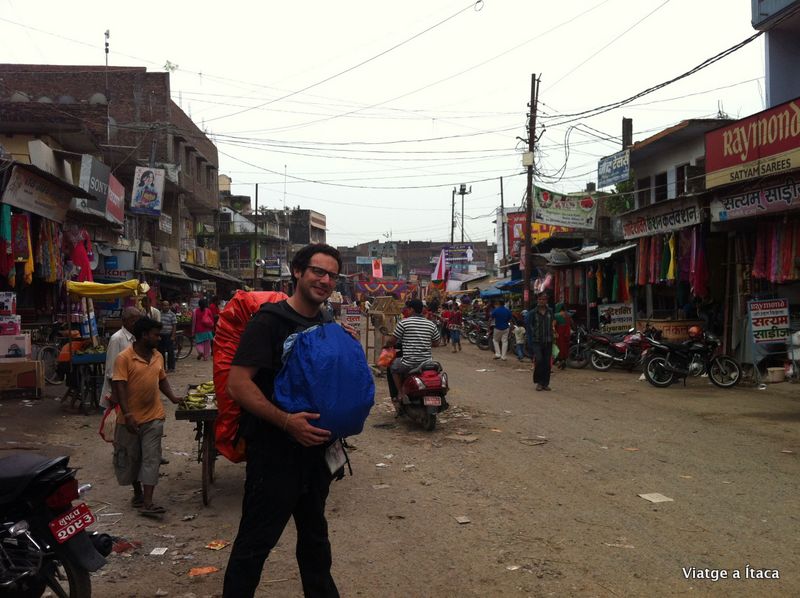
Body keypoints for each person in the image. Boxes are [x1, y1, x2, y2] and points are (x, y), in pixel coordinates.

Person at [223, 243, 344, 598]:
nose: (325, 281)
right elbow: (238, 384)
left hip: (316, 454)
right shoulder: (269, 322)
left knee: (315, 541)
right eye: (318, 272)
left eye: (332, 275)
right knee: (254, 545)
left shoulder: (326, 321)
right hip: (274, 453)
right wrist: (287, 422)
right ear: (297, 272)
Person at [112, 317, 181, 515]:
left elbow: (162, 380)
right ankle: (138, 494)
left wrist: (173, 398)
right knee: (132, 459)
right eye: (156, 335)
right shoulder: (124, 358)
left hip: (154, 416)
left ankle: (148, 503)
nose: (159, 338)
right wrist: (128, 414)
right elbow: (119, 387)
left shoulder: (158, 356)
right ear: (144, 335)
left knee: (151, 458)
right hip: (129, 419)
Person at [388, 299, 441, 403]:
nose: (407, 311)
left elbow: (392, 341)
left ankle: (400, 393)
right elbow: (436, 343)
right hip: (427, 363)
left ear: (411, 309)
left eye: (408, 309)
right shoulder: (431, 324)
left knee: (393, 366)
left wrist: (386, 345)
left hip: (409, 363)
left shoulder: (404, 323)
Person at [100, 307, 141, 409]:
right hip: (119, 389)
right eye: (133, 321)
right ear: (124, 321)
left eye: (138, 321)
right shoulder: (117, 339)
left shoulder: (136, 337)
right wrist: (114, 393)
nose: (136, 324)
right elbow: (111, 369)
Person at [525, 293, 557, 391]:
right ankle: (538, 382)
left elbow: (553, 322)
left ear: (546, 301)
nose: (541, 301)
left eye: (543, 299)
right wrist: (530, 340)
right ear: (537, 300)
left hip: (548, 340)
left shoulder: (550, 311)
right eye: (540, 299)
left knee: (547, 363)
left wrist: (553, 330)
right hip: (537, 341)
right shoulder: (532, 313)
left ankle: (545, 383)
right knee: (539, 360)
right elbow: (529, 326)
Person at [159, 300, 177, 373]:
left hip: (169, 335)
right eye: (164, 305)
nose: (165, 307)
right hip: (161, 335)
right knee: (161, 352)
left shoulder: (172, 314)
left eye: (167, 305)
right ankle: (162, 367)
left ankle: (171, 367)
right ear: (161, 306)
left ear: (169, 306)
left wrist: (173, 336)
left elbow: (174, 326)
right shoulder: (159, 314)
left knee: (170, 351)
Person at [553, 302, 572, 370]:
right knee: (565, 347)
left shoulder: (556, 315)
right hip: (567, 332)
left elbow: (553, 326)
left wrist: (555, 332)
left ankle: (561, 360)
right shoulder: (569, 315)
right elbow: (571, 323)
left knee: (559, 347)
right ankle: (564, 360)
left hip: (560, 332)